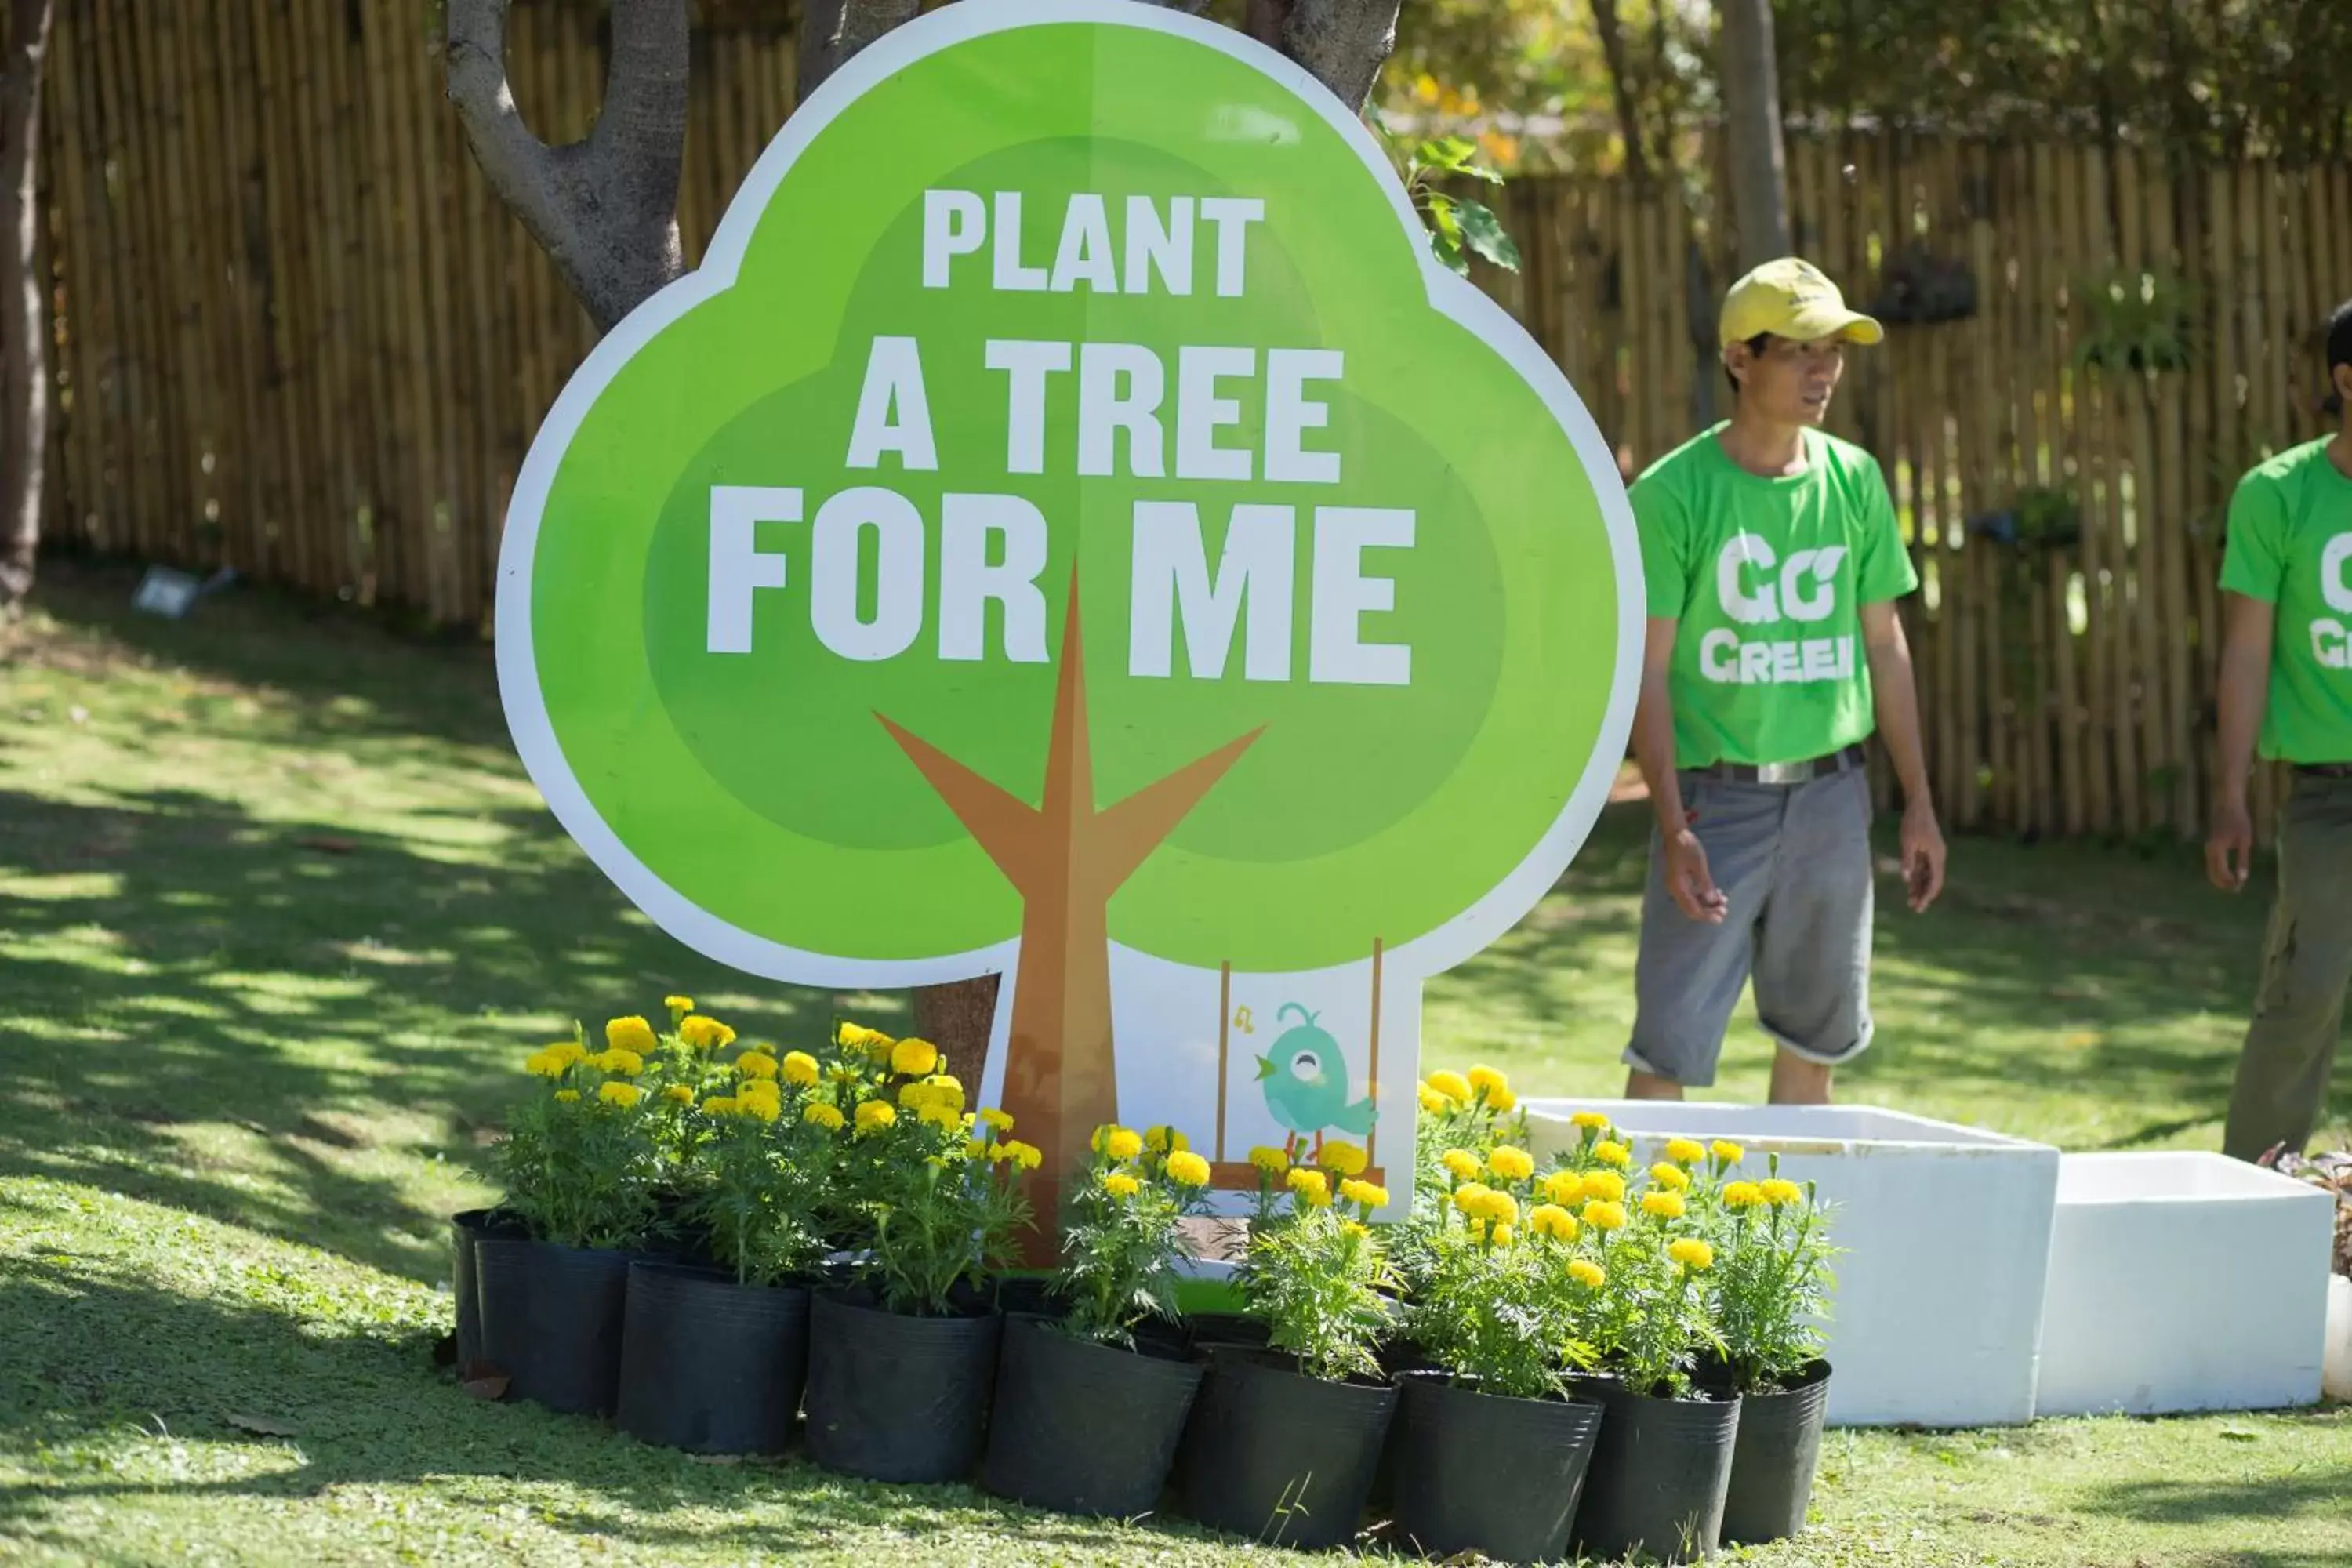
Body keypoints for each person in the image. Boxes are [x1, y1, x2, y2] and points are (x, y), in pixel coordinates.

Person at [1621, 257, 1946, 1105]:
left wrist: (1918, 799)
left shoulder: (1856, 480)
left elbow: (1886, 646)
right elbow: (1645, 673)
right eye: (1801, 348)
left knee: (1815, 1039)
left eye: (1834, 348)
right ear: (1739, 359)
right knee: (1667, 1046)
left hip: (1833, 801)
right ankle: (1646, 1241)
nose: (1825, 368)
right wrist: (1670, 823)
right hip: (1709, 804)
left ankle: (1786, 1235)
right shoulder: (1670, 495)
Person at [2206, 297, 2352, 1162]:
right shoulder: (2277, 496)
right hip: (2329, 796)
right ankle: (2253, 1197)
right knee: (2305, 991)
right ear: (2346, 380)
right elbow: (2247, 651)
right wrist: (2230, 793)